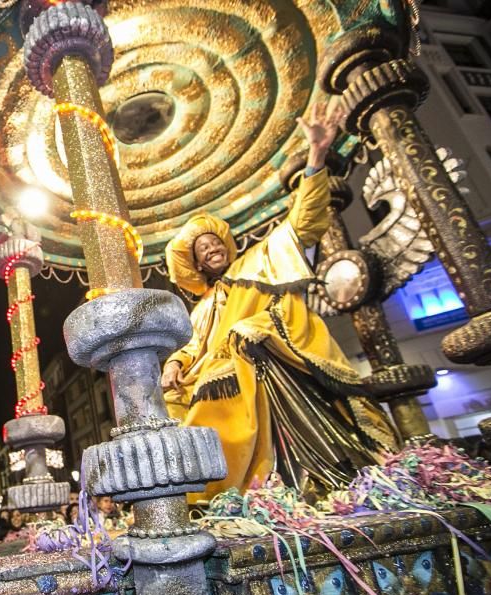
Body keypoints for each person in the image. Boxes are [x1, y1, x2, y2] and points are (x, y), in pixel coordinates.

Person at [161, 102, 398, 500]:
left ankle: (311, 475)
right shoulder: (203, 307)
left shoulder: (261, 257)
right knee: (173, 398)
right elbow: (190, 346)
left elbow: (305, 221)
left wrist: (317, 156)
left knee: (245, 336)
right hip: (227, 373)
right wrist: (172, 364)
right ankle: (219, 490)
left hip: (277, 359)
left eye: (214, 240)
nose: (211, 248)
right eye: (202, 249)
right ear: (197, 264)